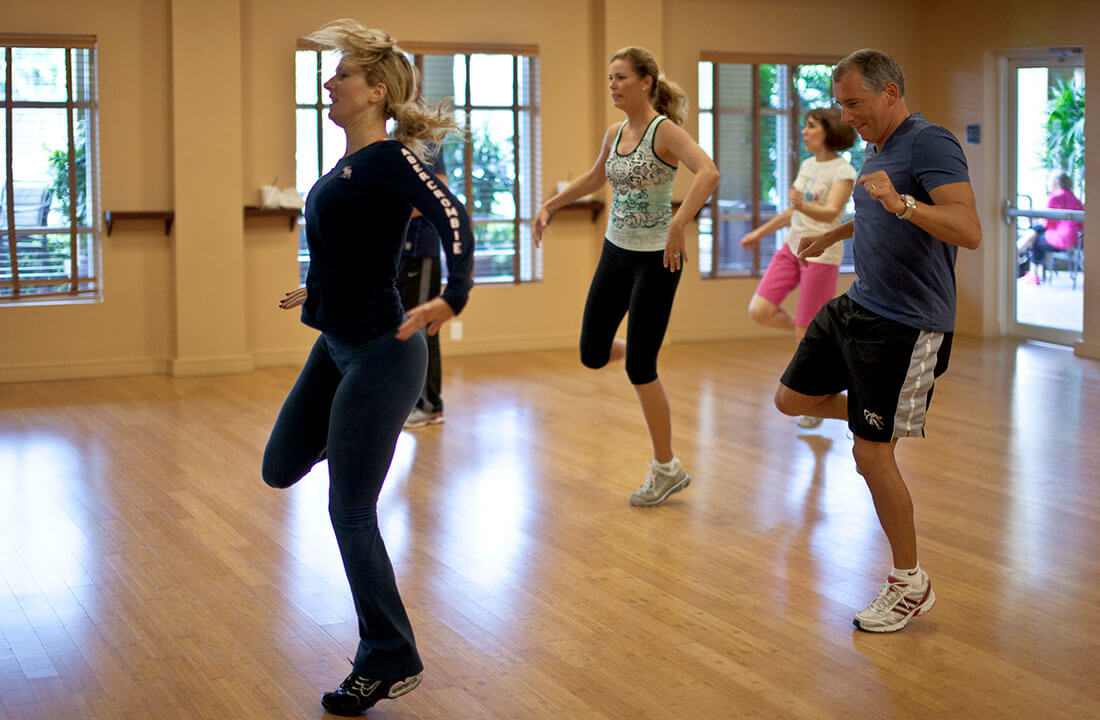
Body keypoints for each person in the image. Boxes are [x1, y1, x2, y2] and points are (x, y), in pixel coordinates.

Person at [262, 19, 473, 715]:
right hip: (334, 345)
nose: (329, 83)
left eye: (342, 75)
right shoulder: (346, 164)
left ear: (375, 90)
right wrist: (315, 292)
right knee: (279, 465)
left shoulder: (390, 157)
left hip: (384, 352)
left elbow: (452, 214)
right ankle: (355, 434)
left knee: (349, 511)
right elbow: (348, 251)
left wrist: (453, 296)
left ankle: (389, 656)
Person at [774, 49, 981, 632]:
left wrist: (905, 203)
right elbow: (876, 213)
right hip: (858, 304)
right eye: (841, 104)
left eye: (855, 104)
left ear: (890, 92)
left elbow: (968, 229)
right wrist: (831, 233)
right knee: (790, 400)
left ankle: (909, 582)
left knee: (871, 454)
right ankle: (881, 418)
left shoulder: (929, 143)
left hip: (909, 323)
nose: (847, 115)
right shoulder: (876, 144)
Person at [534, 47, 719, 507]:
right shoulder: (616, 132)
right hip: (616, 254)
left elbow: (709, 172)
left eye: (621, 78)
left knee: (640, 368)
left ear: (646, 83)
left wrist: (680, 223)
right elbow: (596, 177)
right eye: (610, 78)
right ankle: (642, 349)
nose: (613, 85)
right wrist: (550, 204)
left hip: (657, 261)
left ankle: (666, 467)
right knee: (592, 352)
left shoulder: (665, 132)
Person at [740, 108, 857, 429]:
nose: (804, 132)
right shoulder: (807, 164)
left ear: (828, 131)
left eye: (811, 127)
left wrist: (803, 206)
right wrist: (759, 233)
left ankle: (812, 396)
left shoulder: (843, 170)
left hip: (821, 255)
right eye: (804, 127)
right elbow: (794, 211)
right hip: (792, 248)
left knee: (805, 332)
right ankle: (819, 339)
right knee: (760, 310)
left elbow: (832, 213)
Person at [398, 149, 448, 428]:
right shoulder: (394, 137)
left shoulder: (425, 138)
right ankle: (413, 402)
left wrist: (395, 211)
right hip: (401, 251)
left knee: (422, 327)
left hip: (421, 250)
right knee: (406, 326)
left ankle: (430, 406)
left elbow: (437, 190)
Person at [1016, 170, 1084, 284]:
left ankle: (1033, 274)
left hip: (1059, 240)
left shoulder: (1054, 198)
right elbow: (1081, 224)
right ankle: (1019, 253)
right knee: (1036, 233)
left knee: (1036, 240)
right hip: (1074, 240)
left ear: (1055, 183)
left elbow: (1046, 223)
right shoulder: (1075, 199)